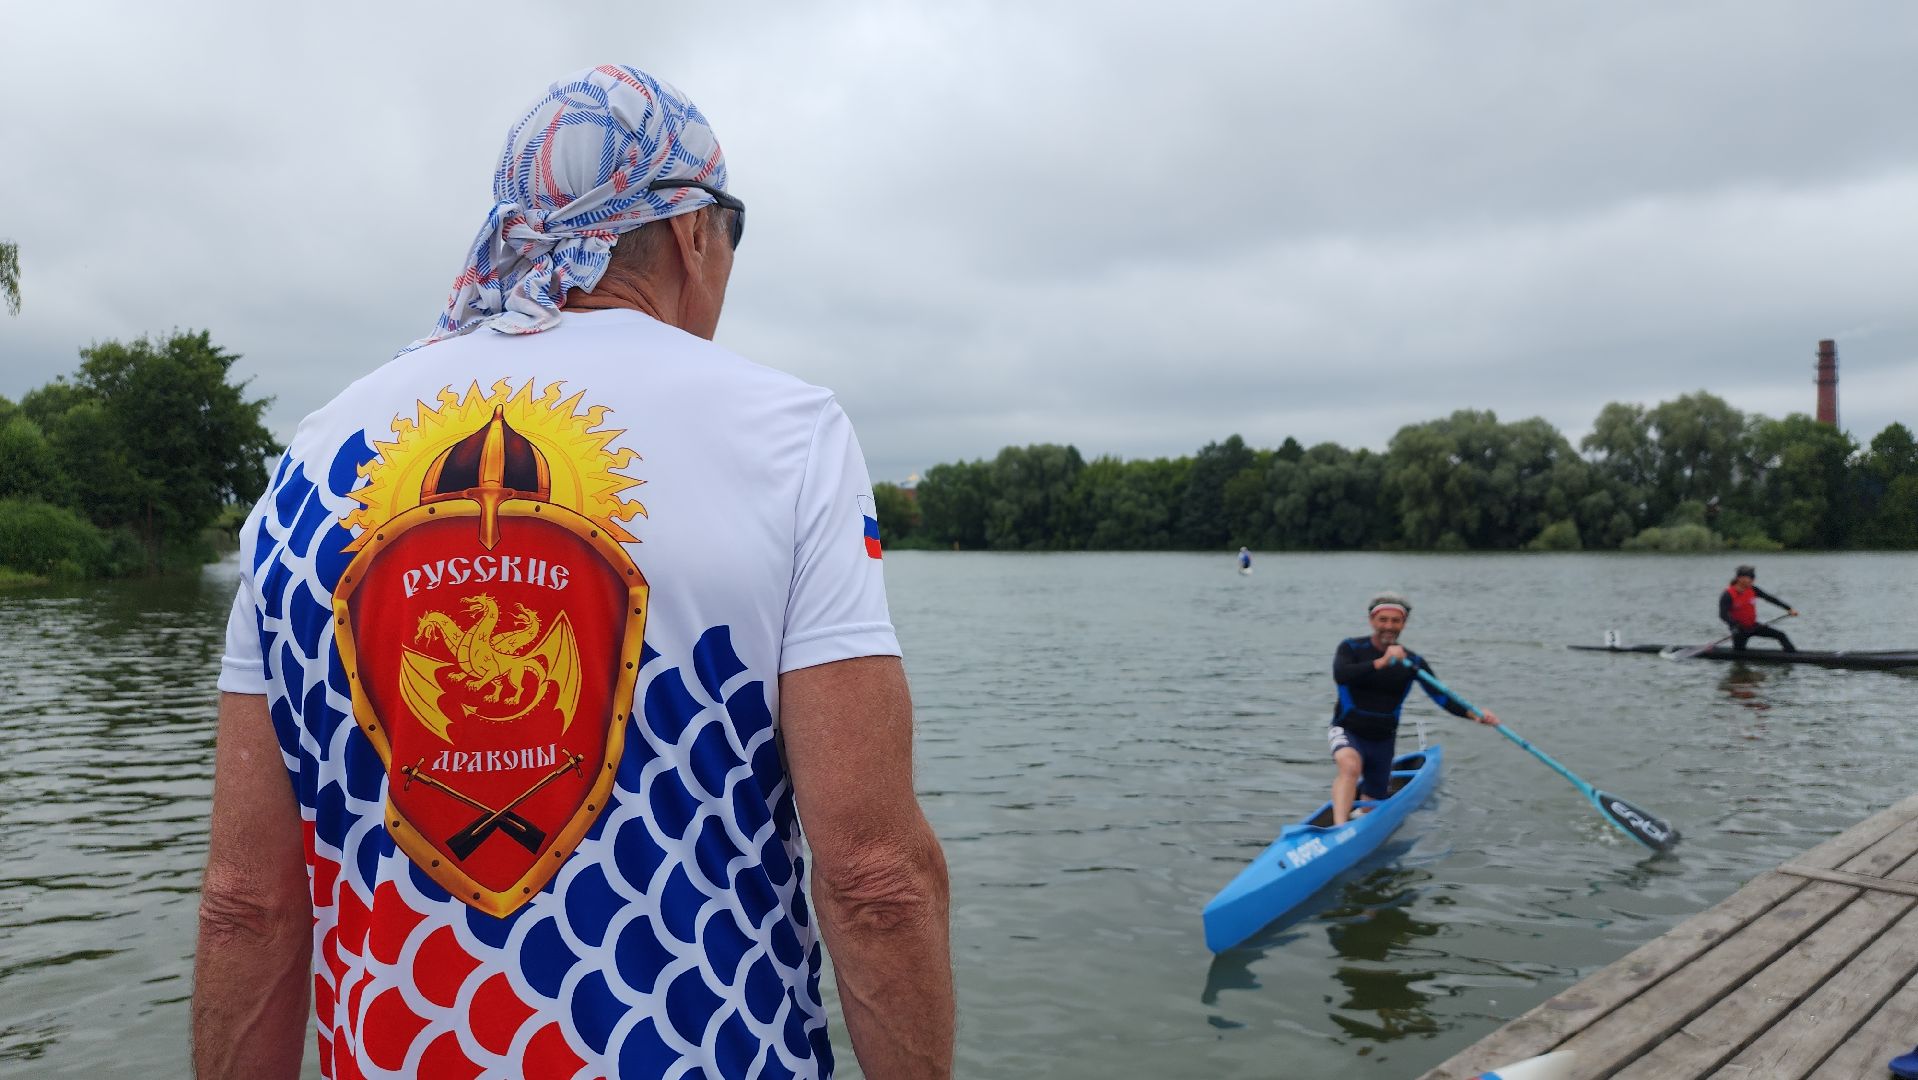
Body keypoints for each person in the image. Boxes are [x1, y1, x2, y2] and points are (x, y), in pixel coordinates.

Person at [193, 65, 952, 1080]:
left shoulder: (308, 467)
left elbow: (247, 902)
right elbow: (872, 880)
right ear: (693, 232)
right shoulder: (785, 438)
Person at [1329, 593, 1498, 825]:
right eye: (1383, 620)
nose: (1389, 626)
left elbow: (1442, 697)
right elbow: (1341, 675)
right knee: (1349, 766)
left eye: (1395, 621)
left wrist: (1476, 715)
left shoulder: (1413, 662)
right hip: (1348, 729)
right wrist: (1381, 662)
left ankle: (1359, 820)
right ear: (1372, 621)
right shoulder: (1351, 648)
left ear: (1403, 624)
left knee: (1371, 804)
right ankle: (1339, 829)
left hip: (1383, 740)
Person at [1719, 564, 1798, 651]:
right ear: (1739, 578)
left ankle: (1792, 655)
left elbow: (1770, 598)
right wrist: (1734, 626)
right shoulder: (1728, 594)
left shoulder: (1753, 589)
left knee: (1781, 635)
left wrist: (1789, 608)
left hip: (1753, 627)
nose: (1752, 580)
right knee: (1739, 653)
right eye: (1750, 577)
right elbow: (1723, 615)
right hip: (1740, 630)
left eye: (1753, 577)